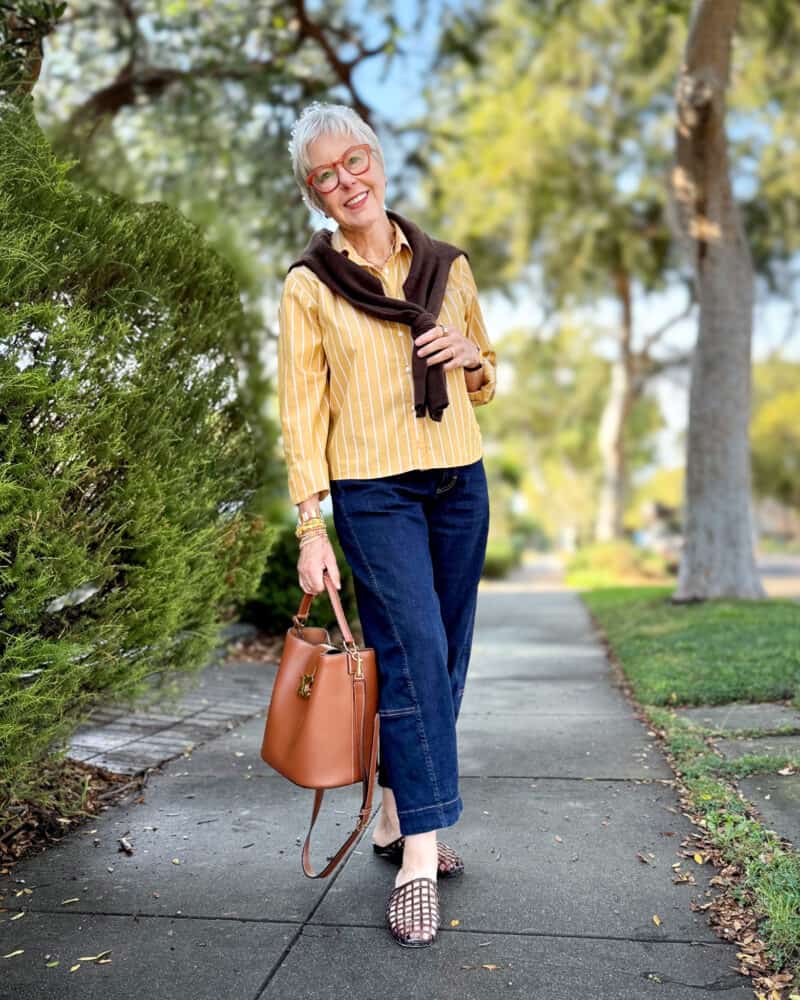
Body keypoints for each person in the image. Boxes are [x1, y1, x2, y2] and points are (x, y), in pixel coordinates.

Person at [277, 102, 496, 948]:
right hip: (373, 492)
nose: (346, 181)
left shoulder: (447, 266)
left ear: (377, 158)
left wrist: (471, 358)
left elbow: (487, 371)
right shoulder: (310, 284)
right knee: (411, 656)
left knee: (445, 657)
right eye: (325, 175)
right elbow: (303, 413)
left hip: (458, 481)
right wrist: (309, 529)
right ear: (315, 194)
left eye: (355, 160)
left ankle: (397, 814)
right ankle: (418, 860)